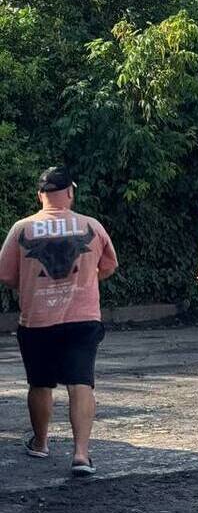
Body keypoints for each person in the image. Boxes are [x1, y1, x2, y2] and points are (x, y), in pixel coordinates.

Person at [0, 167, 118, 476]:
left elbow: (5, 274)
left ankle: (40, 443)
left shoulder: (22, 228)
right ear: (70, 192)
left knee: (40, 384)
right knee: (81, 383)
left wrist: (32, 284)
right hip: (83, 319)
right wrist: (86, 279)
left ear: (40, 195)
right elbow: (109, 265)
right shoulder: (90, 225)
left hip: (37, 320)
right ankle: (81, 454)